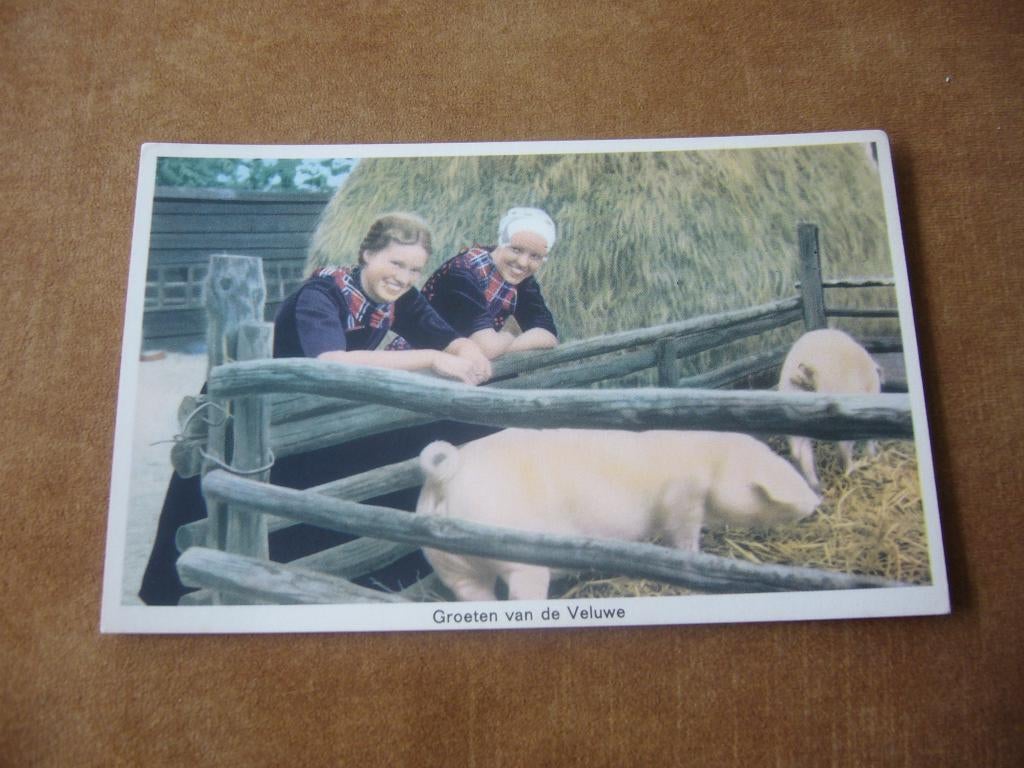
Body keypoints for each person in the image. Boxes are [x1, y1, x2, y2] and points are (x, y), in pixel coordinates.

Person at [139, 213, 491, 606]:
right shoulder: (322, 294)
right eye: (395, 263)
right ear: (367, 254)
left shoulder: (400, 297)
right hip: (251, 413)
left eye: (414, 269)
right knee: (219, 513)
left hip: (305, 411)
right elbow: (332, 360)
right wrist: (431, 358)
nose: (404, 277)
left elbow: (446, 337)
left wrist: (468, 351)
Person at [419, 206, 560, 359]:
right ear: (501, 243)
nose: (523, 262)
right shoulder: (464, 271)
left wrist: (499, 346)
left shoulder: (522, 280)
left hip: (467, 361)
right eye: (516, 250)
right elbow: (486, 347)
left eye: (535, 256)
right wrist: (509, 336)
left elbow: (548, 335)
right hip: (422, 358)